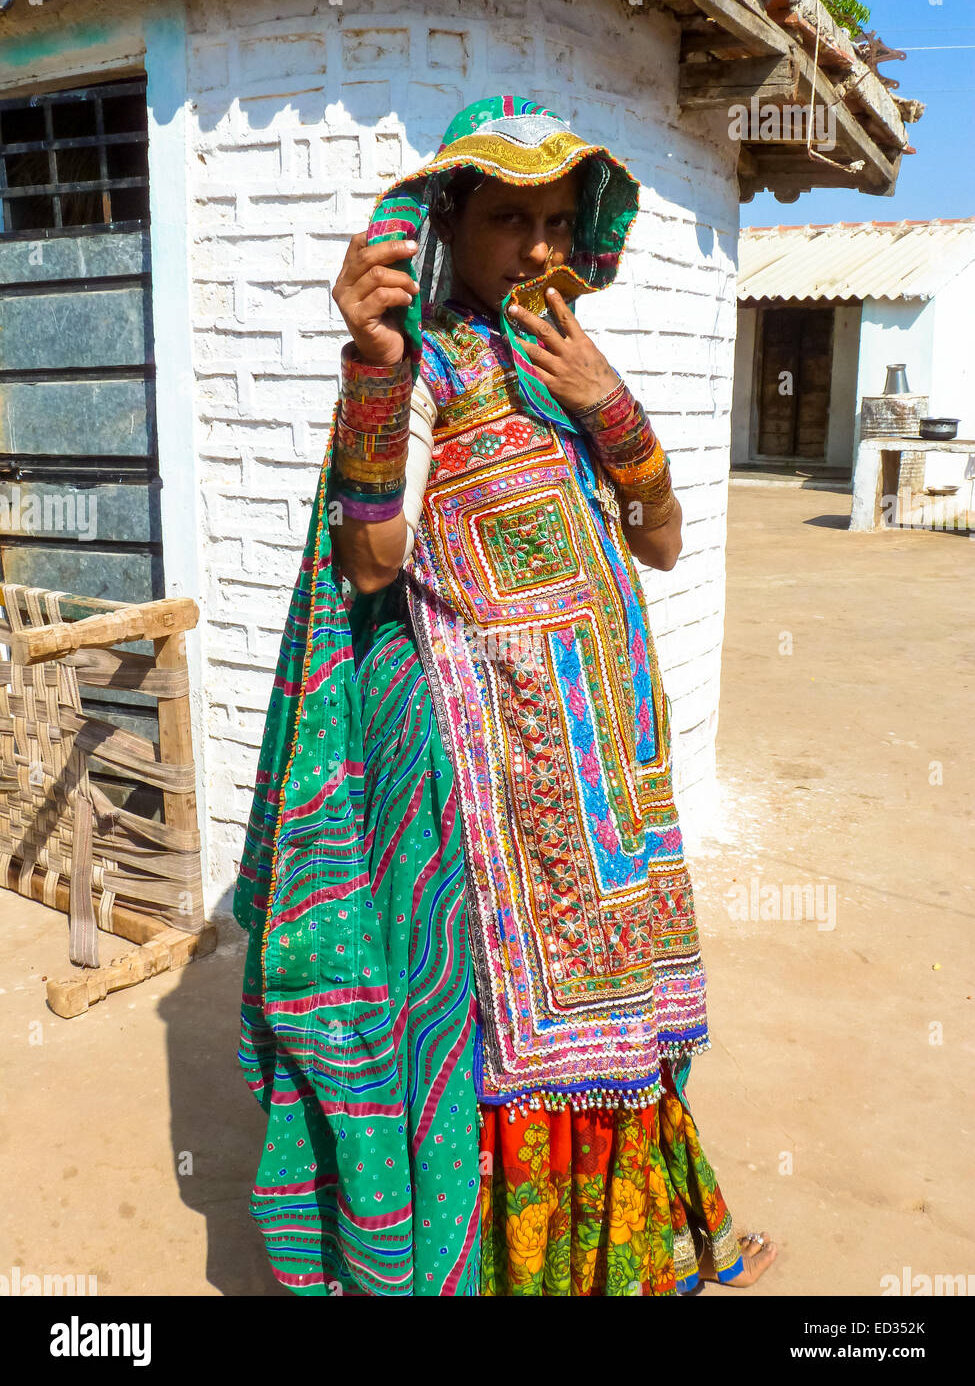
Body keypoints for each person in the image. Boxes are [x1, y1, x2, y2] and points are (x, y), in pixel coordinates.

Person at [234, 95, 777, 1296]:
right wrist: (376, 370)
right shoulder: (418, 364)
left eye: (556, 220)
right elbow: (373, 561)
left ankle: (622, 1261)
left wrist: (609, 407)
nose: (537, 249)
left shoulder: (573, 358)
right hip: (498, 792)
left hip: (609, 778)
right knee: (505, 1051)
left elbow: (666, 540)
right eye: (505, 219)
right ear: (447, 226)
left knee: (621, 1027)